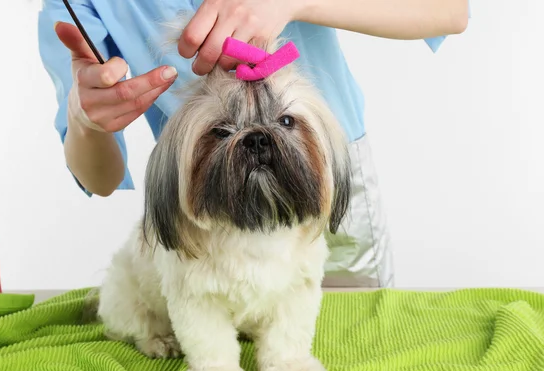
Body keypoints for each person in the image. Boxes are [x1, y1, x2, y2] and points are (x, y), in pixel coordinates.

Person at [38, 0, 469, 288]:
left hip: (323, 184)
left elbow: (449, 10)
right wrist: (84, 118)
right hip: (204, 208)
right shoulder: (77, 7)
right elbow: (101, 177)